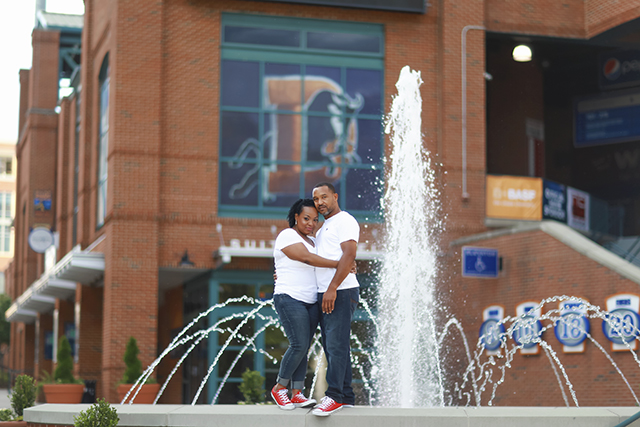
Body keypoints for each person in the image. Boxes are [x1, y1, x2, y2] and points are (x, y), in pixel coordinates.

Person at [270, 198, 344, 410]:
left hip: (311, 301)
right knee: (299, 344)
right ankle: (279, 388)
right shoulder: (287, 235)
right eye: (306, 218)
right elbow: (306, 259)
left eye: (314, 219)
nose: (311, 223)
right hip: (289, 297)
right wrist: (341, 264)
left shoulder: (314, 242)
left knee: (304, 347)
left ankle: (297, 393)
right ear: (295, 217)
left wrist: (346, 266)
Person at [310, 182, 360, 417]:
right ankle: (346, 396)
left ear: (335, 196)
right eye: (316, 199)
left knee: (336, 345)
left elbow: (350, 254)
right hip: (328, 291)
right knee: (334, 345)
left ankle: (335, 396)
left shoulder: (345, 220)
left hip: (340, 291)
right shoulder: (323, 228)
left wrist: (332, 288)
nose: (320, 202)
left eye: (324, 197)